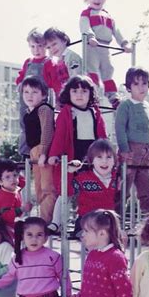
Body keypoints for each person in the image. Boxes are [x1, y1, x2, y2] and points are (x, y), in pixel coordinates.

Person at [47, 75, 107, 232]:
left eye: (84, 91)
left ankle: (84, 224)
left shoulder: (95, 113)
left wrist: (107, 154)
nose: (79, 95)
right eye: (75, 91)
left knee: (89, 190)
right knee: (66, 190)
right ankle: (56, 222)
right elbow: (59, 135)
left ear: (90, 94)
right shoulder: (66, 112)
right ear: (69, 93)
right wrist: (54, 154)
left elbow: (102, 135)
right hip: (72, 153)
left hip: (91, 155)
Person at [114, 67, 149, 214]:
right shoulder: (125, 106)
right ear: (129, 87)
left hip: (147, 154)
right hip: (130, 153)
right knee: (123, 189)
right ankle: (116, 221)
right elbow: (120, 128)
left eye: (144, 83)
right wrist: (124, 149)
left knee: (146, 191)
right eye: (136, 84)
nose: (141, 87)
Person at [79, 0, 132, 108]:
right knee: (92, 71)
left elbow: (116, 31)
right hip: (92, 45)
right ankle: (94, 95)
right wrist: (90, 36)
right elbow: (84, 26)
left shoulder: (108, 16)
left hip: (105, 47)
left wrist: (124, 43)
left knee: (108, 71)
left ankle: (113, 97)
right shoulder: (87, 13)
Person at [21, 75, 57, 222]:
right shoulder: (28, 112)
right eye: (26, 92)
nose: (29, 95)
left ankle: (47, 221)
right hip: (34, 151)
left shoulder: (44, 109)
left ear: (43, 95)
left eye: (34, 92)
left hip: (43, 150)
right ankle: (42, 220)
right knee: (39, 190)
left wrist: (43, 153)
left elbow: (47, 131)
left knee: (48, 188)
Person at [72, 139, 119, 234]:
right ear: (91, 160)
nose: (104, 161)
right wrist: (69, 172)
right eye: (99, 157)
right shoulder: (83, 178)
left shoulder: (117, 178)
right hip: (86, 221)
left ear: (115, 160)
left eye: (109, 157)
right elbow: (66, 192)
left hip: (107, 222)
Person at [15, 27, 49, 156]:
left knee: (40, 126)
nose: (36, 50)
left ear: (45, 46)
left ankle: (39, 151)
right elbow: (21, 76)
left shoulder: (48, 62)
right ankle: (24, 153)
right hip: (26, 100)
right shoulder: (28, 63)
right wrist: (19, 83)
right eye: (33, 46)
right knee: (24, 124)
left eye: (40, 46)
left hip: (40, 101)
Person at [42, 27, 82, 105]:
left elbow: (76, 79)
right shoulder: (57, 61)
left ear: (64, 40)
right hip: (65, 98)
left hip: (75, 98)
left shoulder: (71, 57)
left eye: (54, 44)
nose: (52, 49)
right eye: (48, 47)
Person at [0, 159, 31, 237]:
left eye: (15, 175)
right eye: (7, 177)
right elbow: (6, 216)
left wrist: (16, 170)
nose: (12, 179)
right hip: (4, 229)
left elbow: (22, 182)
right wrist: (22, 209)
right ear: (0, 182)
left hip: (11, 226)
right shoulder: (4, 196)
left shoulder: (12, 187)